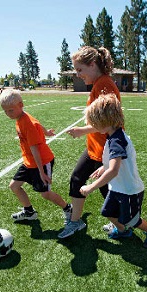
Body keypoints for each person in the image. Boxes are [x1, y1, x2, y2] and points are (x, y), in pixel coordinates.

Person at [79, 93, 147, 248]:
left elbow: (114, 170)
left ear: (105, 121)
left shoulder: (117, 140)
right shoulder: (113, 136)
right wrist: (104, 167)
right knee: (107, 212)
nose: (93, 127)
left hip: (129, 190)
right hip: (117, 188)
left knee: (133, 220)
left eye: (95, 123)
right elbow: (116, 162)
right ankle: (123, 231)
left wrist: (91, 187)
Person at [58, 46, 121, 239]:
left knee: (106, 190)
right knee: (78, 179)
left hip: (105, 150)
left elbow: (109, 121)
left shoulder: (104, 84)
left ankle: (125, 226)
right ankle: (76, 221)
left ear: (92, 64)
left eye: (80, 70)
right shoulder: (99, 83)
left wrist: (81, 130)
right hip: (95, 148)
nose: (78, 75)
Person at [0, 89, 72, 226]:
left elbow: (35, 149)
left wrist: (41, 171)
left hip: (42, 162)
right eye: (5, 111)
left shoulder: (28, 123)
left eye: (11, 110)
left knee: (45, 194)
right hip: (29, 162)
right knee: (14, 186)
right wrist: (46, 132)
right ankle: (29, 212)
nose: (8, 114)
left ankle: (68, 209)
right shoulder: (21, 117)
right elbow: (38, 123)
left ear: (21, 105)